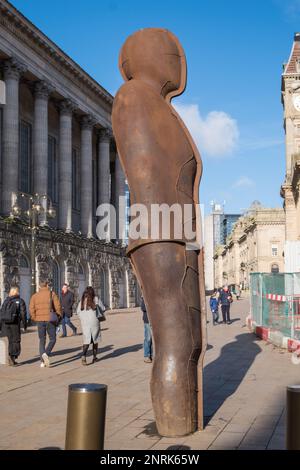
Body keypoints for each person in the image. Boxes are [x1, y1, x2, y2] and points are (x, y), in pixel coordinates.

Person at [29, 278, 62, 368]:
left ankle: (43, 361)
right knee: (53, 339)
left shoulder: (34, 296)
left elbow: (31, 309)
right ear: (47, 285)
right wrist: (58, 316)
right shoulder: (52, 294)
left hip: (39, 320)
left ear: (39, 286)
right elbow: (58, 307)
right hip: (50, 320)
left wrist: (34, 318)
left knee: (42, 340)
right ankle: (46, 354)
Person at [0, 286, 27, 366]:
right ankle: (12, 357)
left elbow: (1, 313)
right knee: (16, 340)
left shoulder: (6, 300)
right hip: (15, 324)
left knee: (11, 341)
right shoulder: (20, 301)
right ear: (17, 292)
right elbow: (23, 314)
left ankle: (11, 356)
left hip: (6, 324)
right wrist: (24, 325)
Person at [77, 286, 103, 365]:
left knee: (86, 341)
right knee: (95, 340)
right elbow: (103, 308)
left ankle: (83, 356)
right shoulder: (95, 299)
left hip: (85, 324)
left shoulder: (82, 301)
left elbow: (78, 312)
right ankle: (94, 357)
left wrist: (82, 319)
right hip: (94, 322)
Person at [141, 296, 153, 363]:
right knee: (148, 338)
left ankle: (152, 355)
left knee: (153, 340)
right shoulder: (145, 296)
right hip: (147, 320)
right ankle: (146, 356)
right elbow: (143, 308)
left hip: (154, 320)